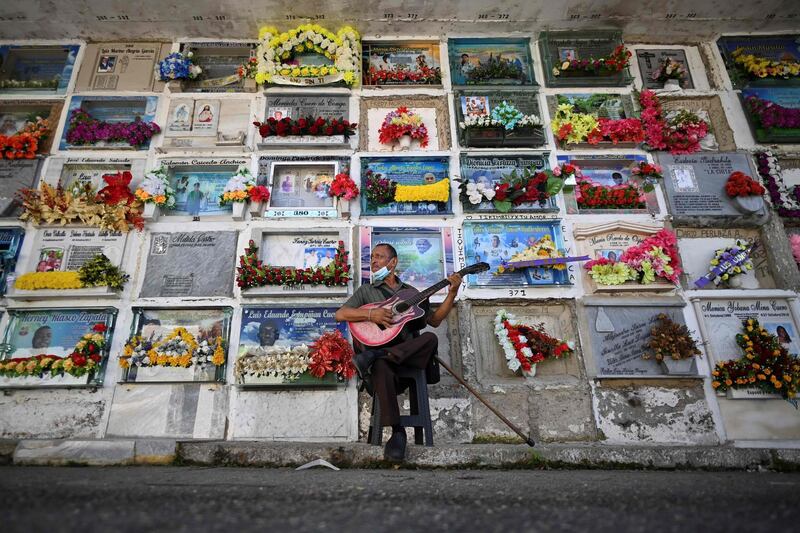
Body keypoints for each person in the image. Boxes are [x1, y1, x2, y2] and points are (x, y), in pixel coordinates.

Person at [335, 243, 462, 462]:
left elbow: (434, 320)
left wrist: (452, 292)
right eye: (372, 257)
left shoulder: (411, 293)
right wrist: (371, 314)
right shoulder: (367, 291)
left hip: (408, 358)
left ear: (392, 263)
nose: (373, 261)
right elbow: (341, 314)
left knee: (429, 338)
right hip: (385, 367)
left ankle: (377, 355)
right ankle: (397, 432)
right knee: (381, 365)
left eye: (379, 257)